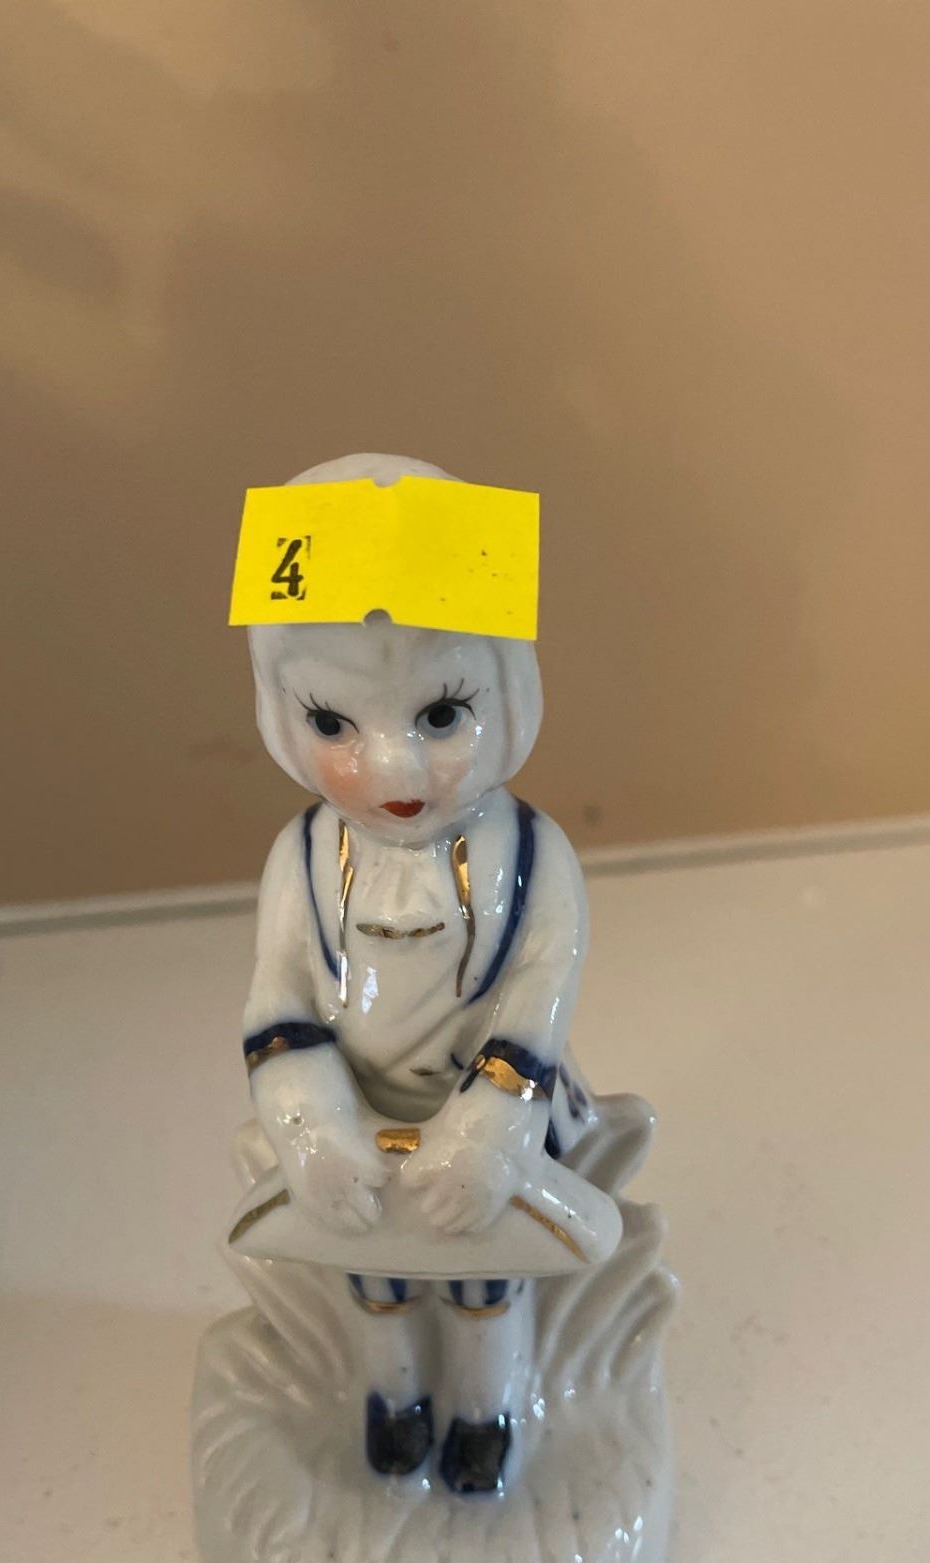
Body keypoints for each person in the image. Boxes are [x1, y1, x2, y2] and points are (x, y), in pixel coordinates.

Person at [234, 454, 652, 1494]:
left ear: (509, 693)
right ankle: (394, 1398)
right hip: (358, 1125)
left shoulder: (535, 855)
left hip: (493, 1120)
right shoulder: (303, 859)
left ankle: (486, 1407)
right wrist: (310, 1124)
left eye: (439, 716)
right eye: (333, 723)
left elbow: (540, 988)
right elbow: (279, 1000)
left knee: (485, 1279)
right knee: (376, 1277)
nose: (392, 770)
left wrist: (488, 1127)